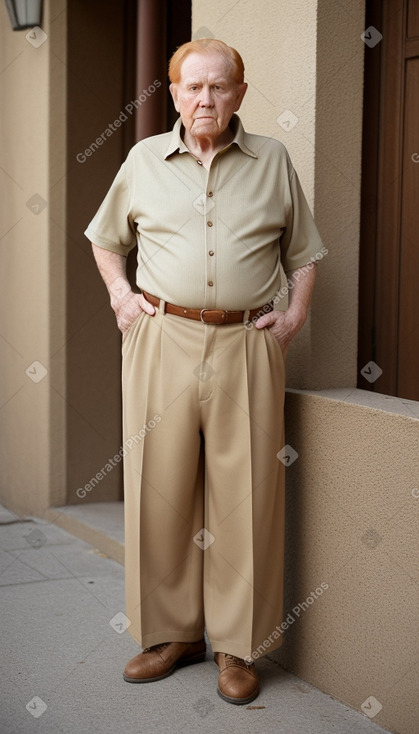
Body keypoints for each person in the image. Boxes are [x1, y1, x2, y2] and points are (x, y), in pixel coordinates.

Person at [85, 38, 323, 705]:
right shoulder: (143, 161)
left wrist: (295, 314)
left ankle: (237, 647)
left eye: (219, 87)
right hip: (161, 335)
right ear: (174, 94)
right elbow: (106, 239)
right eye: (192, 87)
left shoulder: (272, 161)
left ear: (239, 94)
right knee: (159, 487)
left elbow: (304, 252)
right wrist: (119, 295)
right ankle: (170, 634)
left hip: (248, 341)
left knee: (244, 495)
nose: (205, 99)